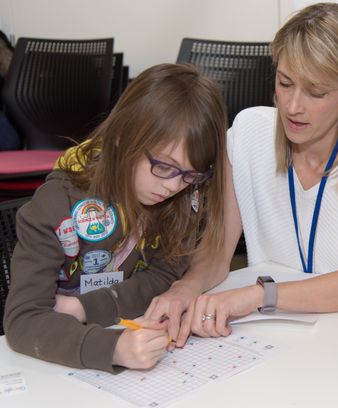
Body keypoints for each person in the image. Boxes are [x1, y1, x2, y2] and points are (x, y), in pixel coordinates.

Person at [144, 2, 338, 342]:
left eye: (316, 92)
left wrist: (263, 295)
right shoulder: (247, 133)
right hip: (267, 333)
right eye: (285, 82)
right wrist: (186, 287)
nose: (293, 107)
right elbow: (217, 252)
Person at [3, 63, 227, 372]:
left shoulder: (182, 198)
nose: (174, 186)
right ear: (123, 136)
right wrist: (112, 349)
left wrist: (87, 307)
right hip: (52, 363)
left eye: (191, 173)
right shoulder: (57, 206)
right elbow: (23, 320)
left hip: (117, 338)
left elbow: (164, 275)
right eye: (164, 167)